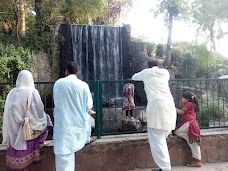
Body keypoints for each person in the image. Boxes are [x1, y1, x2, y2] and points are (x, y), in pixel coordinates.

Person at [2, 70, 52, 171]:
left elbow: (7, 112)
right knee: (47, 119)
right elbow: (39, 111)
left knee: (14, 163)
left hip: (13, 133)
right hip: (26, 133)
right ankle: (40, 143)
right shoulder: (32, 92)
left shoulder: (12, 93)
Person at [132, 60, 176, 171]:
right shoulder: (165, 73)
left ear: (149, 65)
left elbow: (134, 77)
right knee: (165, 132)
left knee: (157, 138)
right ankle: (164, 166)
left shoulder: (146, 72)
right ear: (159, 65)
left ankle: (165, 167)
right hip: (169, 103)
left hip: (156, 105)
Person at [53, 62, 93, 171]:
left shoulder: (58, 83)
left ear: (66, 71)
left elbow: (57, 102)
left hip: (63, 125)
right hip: (77, 125)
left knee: (63, 156)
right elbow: (89, 105)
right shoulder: (83, 85)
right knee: (69, 155)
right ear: (78, 72)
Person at [174, 91, 202, 167]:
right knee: (194, 144)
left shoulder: (188, 104)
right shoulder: (193, 104)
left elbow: (181, 112)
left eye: (182, 97)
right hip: (194, 124)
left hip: (190, 124)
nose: (181, 98)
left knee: (176, 131)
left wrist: (173, 108)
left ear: (187, 99)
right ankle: (197, 161)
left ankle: (197, 161)